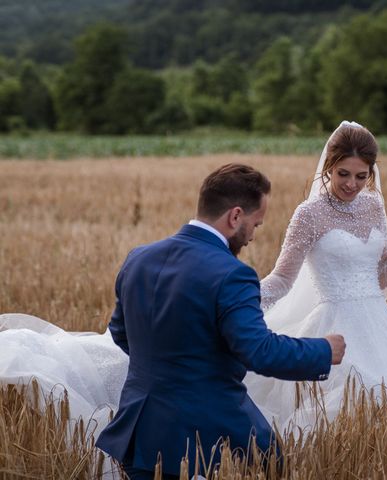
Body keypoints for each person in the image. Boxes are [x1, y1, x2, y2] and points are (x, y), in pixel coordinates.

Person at [0, 164, 347, 480]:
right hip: (210, 429)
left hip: (140, 429)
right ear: (235, 215)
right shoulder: (233, 275)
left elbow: (121, 336)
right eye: (255, 224)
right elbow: (259, 351)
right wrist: (322, 351)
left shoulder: (138, 259)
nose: (253, 235)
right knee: (273, 465)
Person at [244, 121, 387, 432]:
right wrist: (237, 300)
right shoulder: (309, 214)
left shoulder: (373, 205)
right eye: (343, 174)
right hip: (334, 326)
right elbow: (282, 279)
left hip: (378, 326)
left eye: (361, 176)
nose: (351, 184)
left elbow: (380, 276)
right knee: (347, 402)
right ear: (329, 168)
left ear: (371, 173)